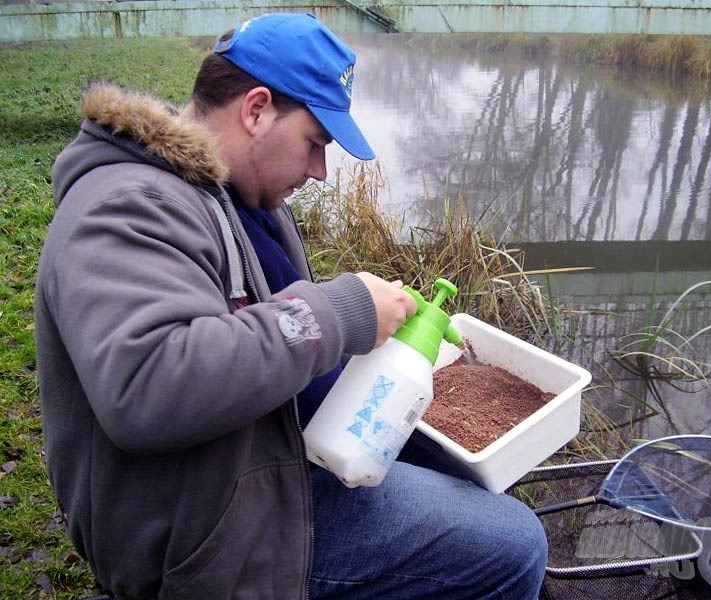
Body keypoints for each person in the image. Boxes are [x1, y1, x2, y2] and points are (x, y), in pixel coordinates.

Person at [35, 12, 548, 599]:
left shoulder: (235, 197)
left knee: (458, 470)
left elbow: (254, 322)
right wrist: (338, 312)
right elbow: (147, 385)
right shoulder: (130, 206)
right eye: (315, 144)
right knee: (513, 545)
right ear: (255, 109)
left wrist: (373, 336)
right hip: (209, 534)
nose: (320, 171)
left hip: (262, 462)